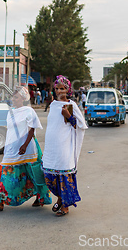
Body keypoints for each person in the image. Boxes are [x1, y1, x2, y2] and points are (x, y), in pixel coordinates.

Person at [0, 87, 52, 211]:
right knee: (6, 173)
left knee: (33, 174)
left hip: (27, 150)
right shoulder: (11, 112)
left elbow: (31, 129)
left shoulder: (29, 111)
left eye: (16, 97)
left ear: (23, 98)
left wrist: (24, 145)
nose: (13, 99)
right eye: (13, 96)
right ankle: (0, 201)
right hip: (12, 149)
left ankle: (40, 198)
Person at [42, 75, 87, 217]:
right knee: (49, 175)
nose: (59, 91)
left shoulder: (71, 105)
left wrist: (69, 115)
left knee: (63, 175)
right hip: (51, 147)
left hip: (64, 147)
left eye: (62, 88)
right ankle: (60, 199)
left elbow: (80, 126)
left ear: (67, 90)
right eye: (57, 88)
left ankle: (65, 205)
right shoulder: (53, 105)